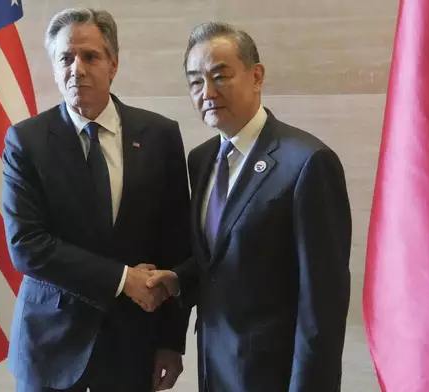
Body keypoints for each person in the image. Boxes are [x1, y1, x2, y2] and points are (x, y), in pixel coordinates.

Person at [147, 21, 352, 392]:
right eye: (195, 82)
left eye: (219, 76)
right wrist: (180, 279)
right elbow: (223, 254)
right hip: (216, 367)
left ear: (256, 76)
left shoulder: (307, 162)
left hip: (275, 374)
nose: (207, 92)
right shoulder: (202, 158)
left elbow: (323, 303)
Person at [1, 8, 190, 392]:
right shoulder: (26, 141)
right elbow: (26, 247)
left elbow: (175, 244)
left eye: (90, 56)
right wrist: (122, 279)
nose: (77, 69)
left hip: (132, 345)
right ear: (54, 70)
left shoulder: (160, 135)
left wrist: (171, 342)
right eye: (65, 58)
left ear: (113, 64)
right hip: (50, 346)